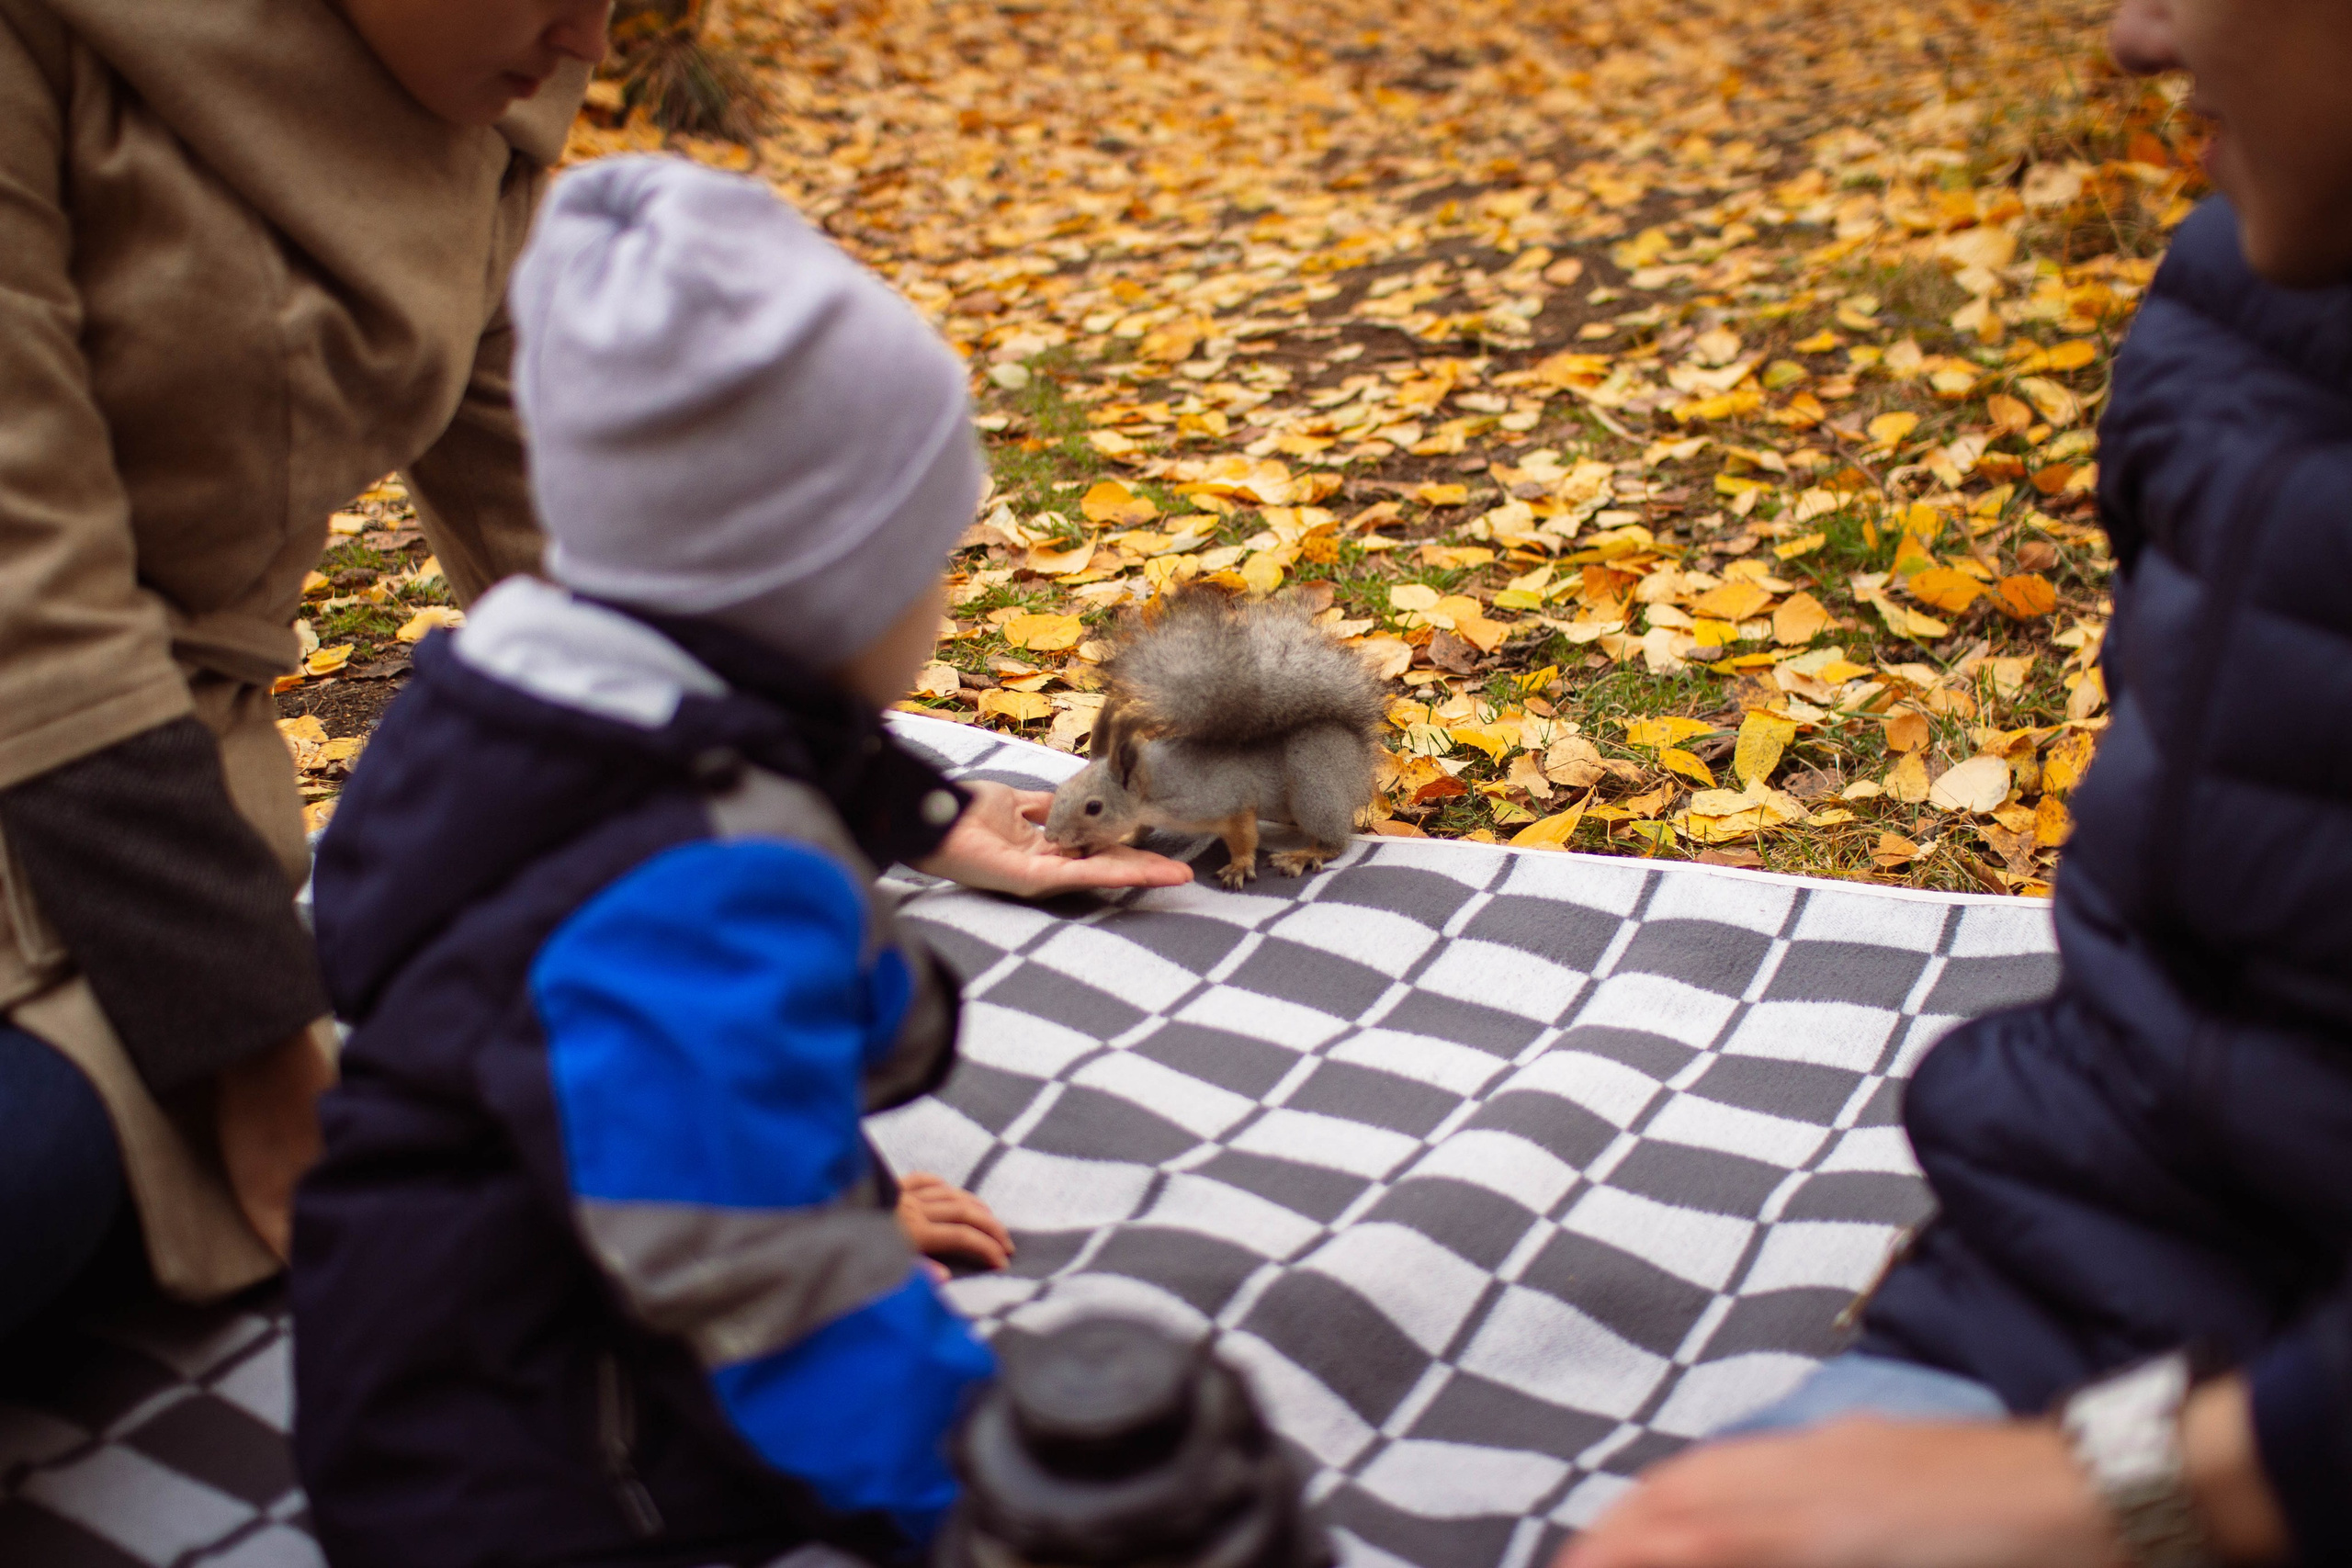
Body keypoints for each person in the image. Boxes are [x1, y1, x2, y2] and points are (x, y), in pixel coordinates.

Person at [288, 154, 1191, 1568]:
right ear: (827, 586)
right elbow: (768, 1284)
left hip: (445, 1318)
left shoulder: (490, 722)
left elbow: (589, 1074)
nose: (941, 595)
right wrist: (1001, 1496)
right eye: (930, 556)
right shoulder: (706, 880)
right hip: (540, 1467)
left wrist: (823, 1181)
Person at [1560, 0, 2347, 1563]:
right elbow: (2191, 983)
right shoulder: (2240, 295)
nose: (2134, 37)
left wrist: (2137, 1494)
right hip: (2113, 1313)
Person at [0, 0, 616, 1338]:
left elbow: (562, 540)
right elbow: (29, 607)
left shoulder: (487, 96)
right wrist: (260, 1049)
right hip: (88, 794)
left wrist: (855, 780)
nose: (593, 41)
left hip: (184, 801)